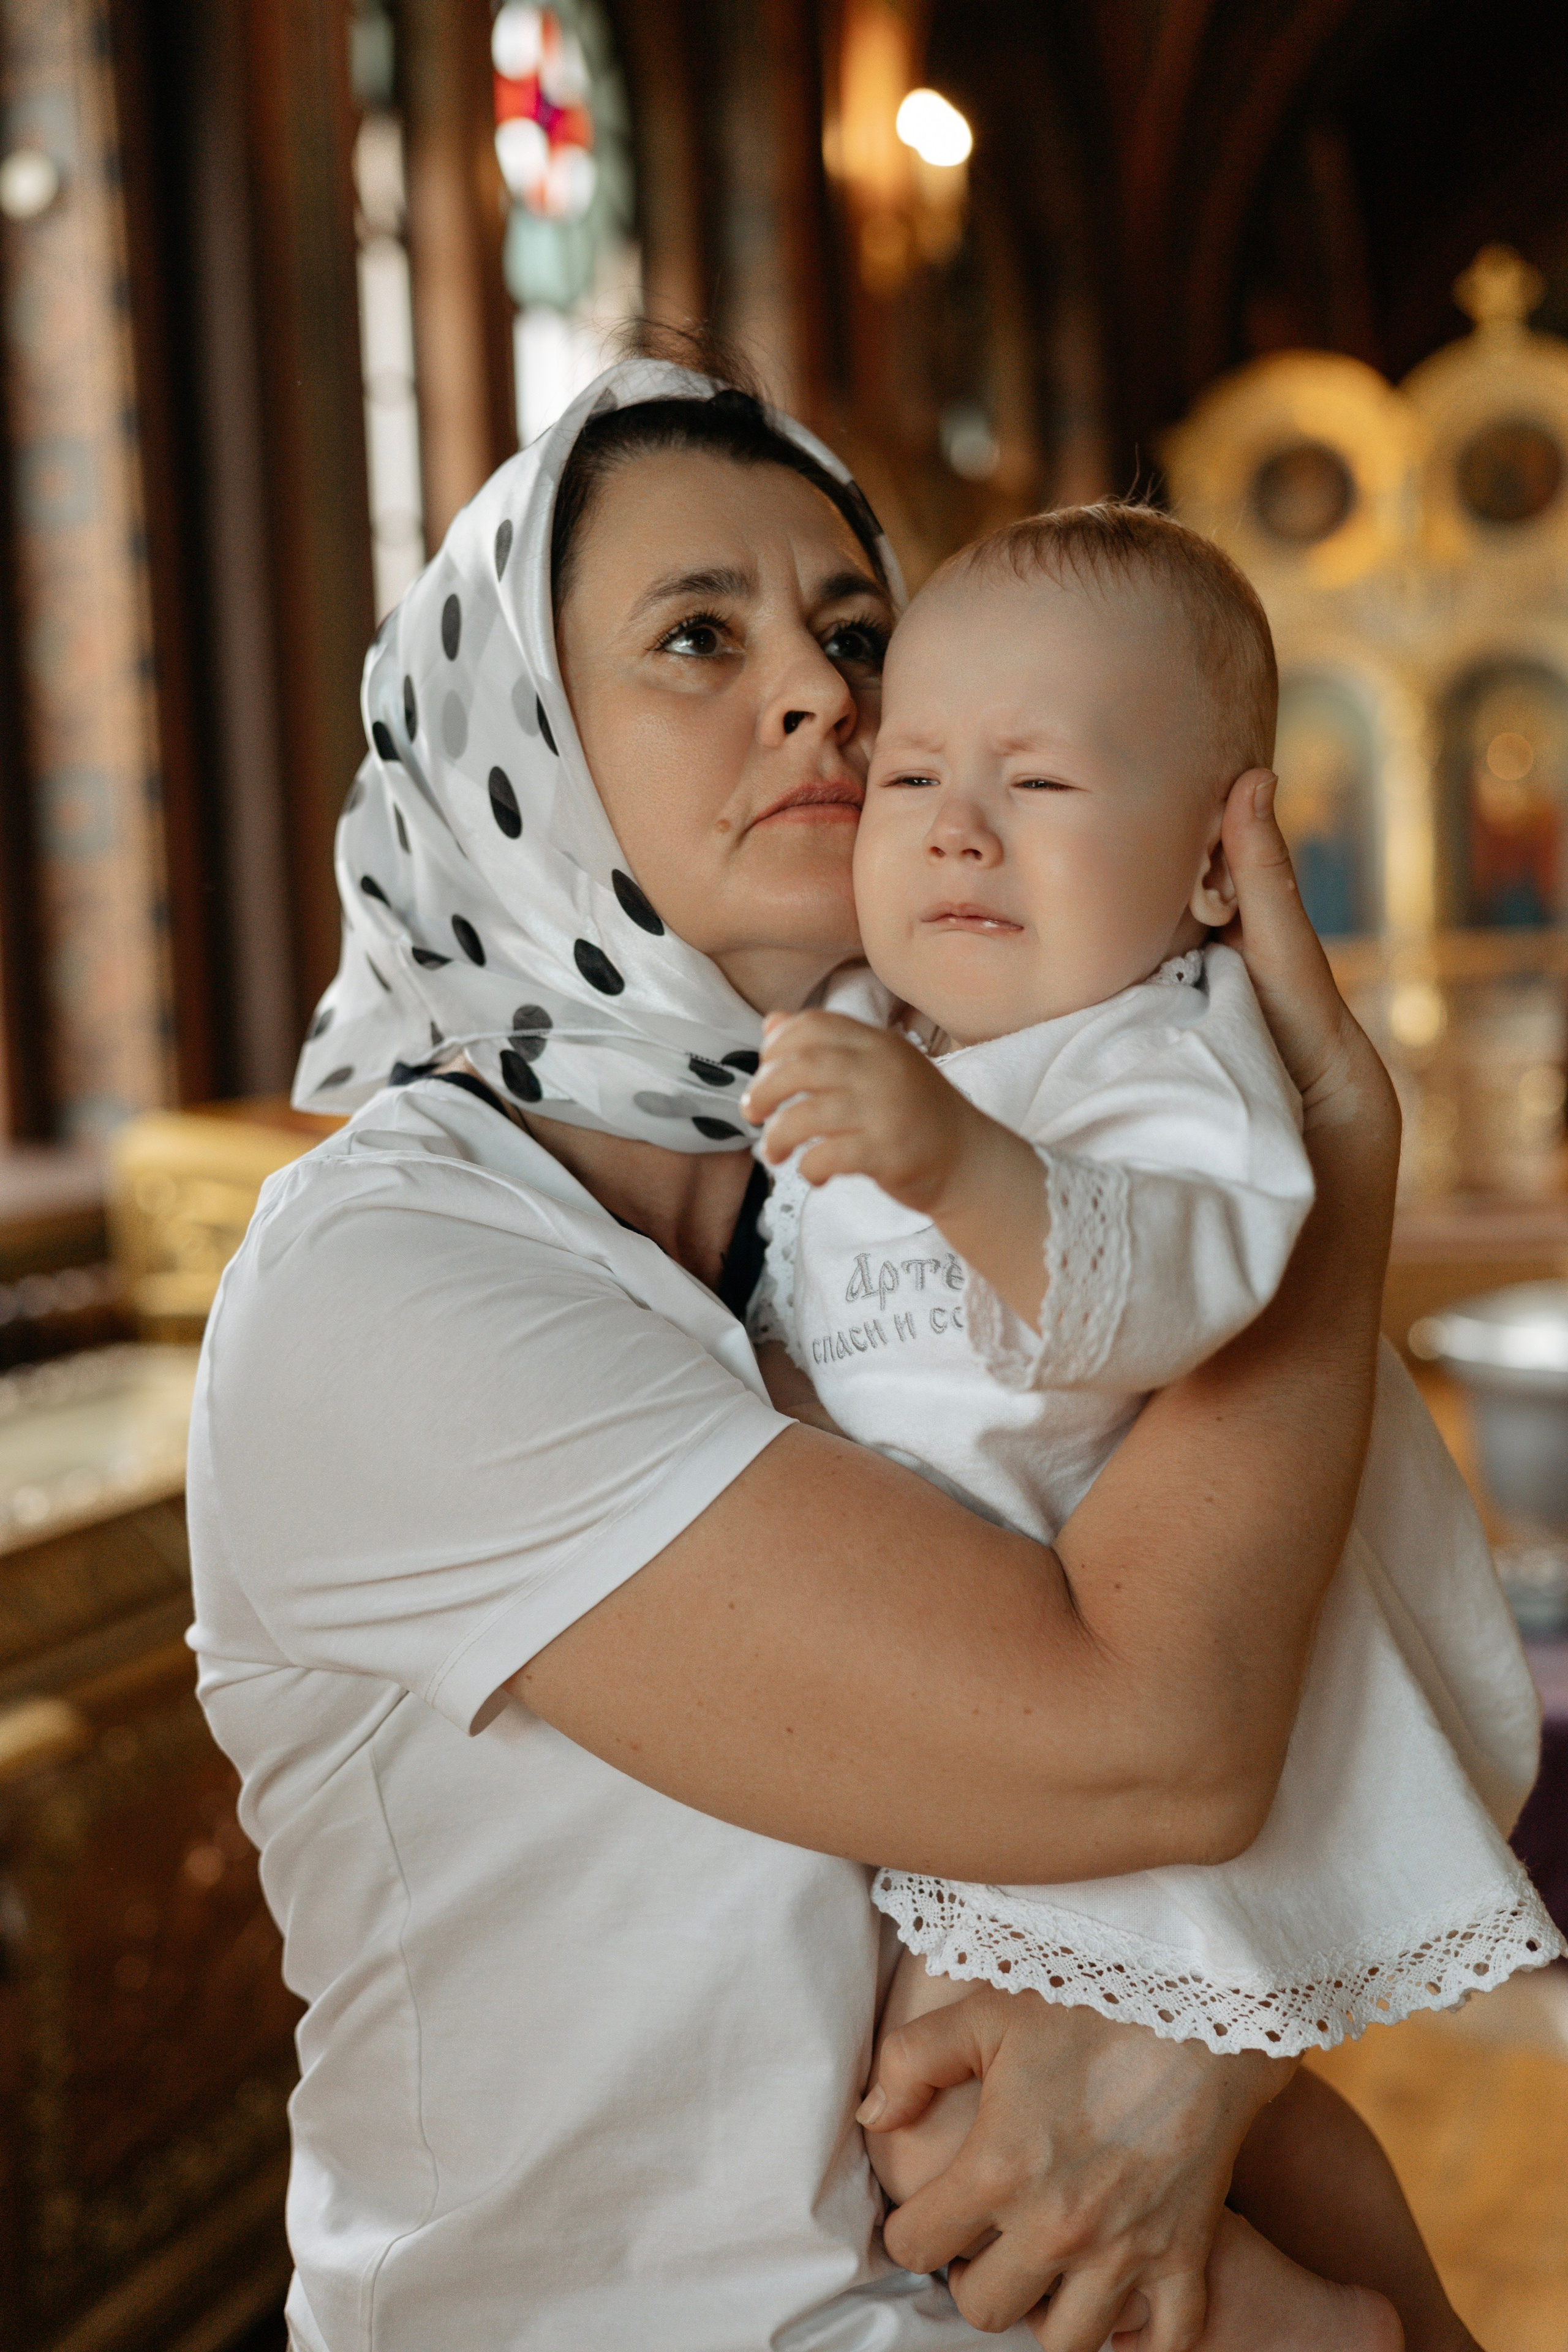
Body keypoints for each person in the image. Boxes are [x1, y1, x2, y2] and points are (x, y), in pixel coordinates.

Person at [190, 345, 1403, 2352]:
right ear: (516, 747)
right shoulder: (388, 1283)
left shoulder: (867, 1208)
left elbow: (1265, 1653)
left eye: (859, 630)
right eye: (695, 633)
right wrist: (1335, 1168)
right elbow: (1155, 1743)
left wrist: (1203, 2050)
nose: (822, 692)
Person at [744, 502, 1561, 2346]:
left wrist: (959, 1164)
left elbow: (1193, 1281)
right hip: (999, 1686)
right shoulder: (883, 1028)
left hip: (1154, 1704)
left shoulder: (1164, 1053)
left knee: (949, 2127)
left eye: (1036, 781)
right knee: (1147, 2102)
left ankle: (1313, 2330)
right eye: (920, 775)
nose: (957, 822)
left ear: (1216, 866)